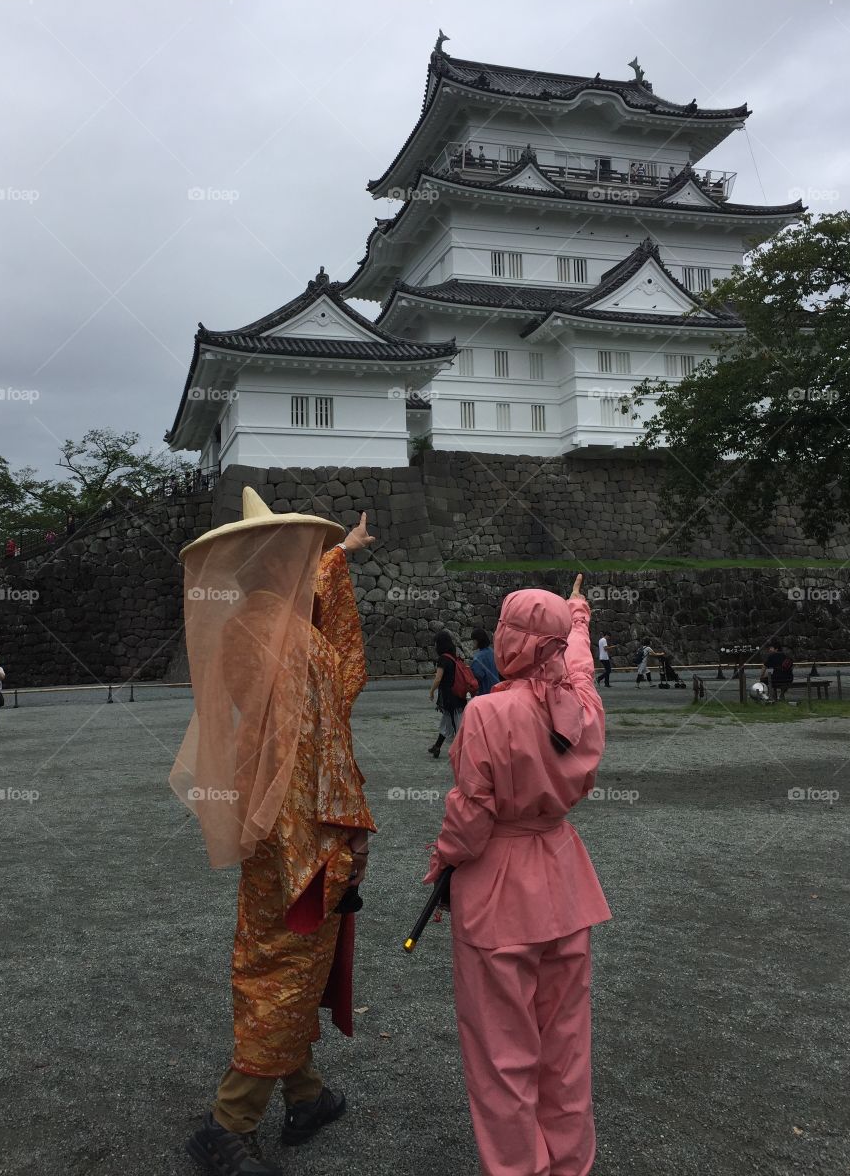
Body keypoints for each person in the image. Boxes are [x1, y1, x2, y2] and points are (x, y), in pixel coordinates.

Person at [172, 488, 377, 1176]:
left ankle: (308, 1095)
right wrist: (353, 832)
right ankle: (227, 1122)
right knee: (287, 963)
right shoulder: (301, 644)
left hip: (264, 817)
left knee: (276, 955)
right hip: (307, 829)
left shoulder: (241, 631)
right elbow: (329, 720)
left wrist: (339, 559)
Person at [424, 575, 611, 1176]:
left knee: (503, 1055)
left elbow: (472, 817)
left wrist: (443, 863)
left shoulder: (486, 712)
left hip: (499, 890)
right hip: (564, 879)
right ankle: (570, 1164)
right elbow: (577, 661)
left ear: (509, 639)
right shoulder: (582, 704)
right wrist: (577, 615)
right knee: (566, 1049)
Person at [428, 630, 467, 759]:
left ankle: (463, 751)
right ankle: (437, 746)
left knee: (456, 724)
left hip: (450, 697)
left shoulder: (443, 659)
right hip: (457, 695)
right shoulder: (453, 657)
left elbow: (438, 679)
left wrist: (431, 691)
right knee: (448, 721)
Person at [470, 627, 500, 696]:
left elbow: (476, 678)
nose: (472, 643)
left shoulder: (478, 658)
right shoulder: (493, 652)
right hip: (497, 690)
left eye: (473, 640)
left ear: (478, 641)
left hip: (485, 693)